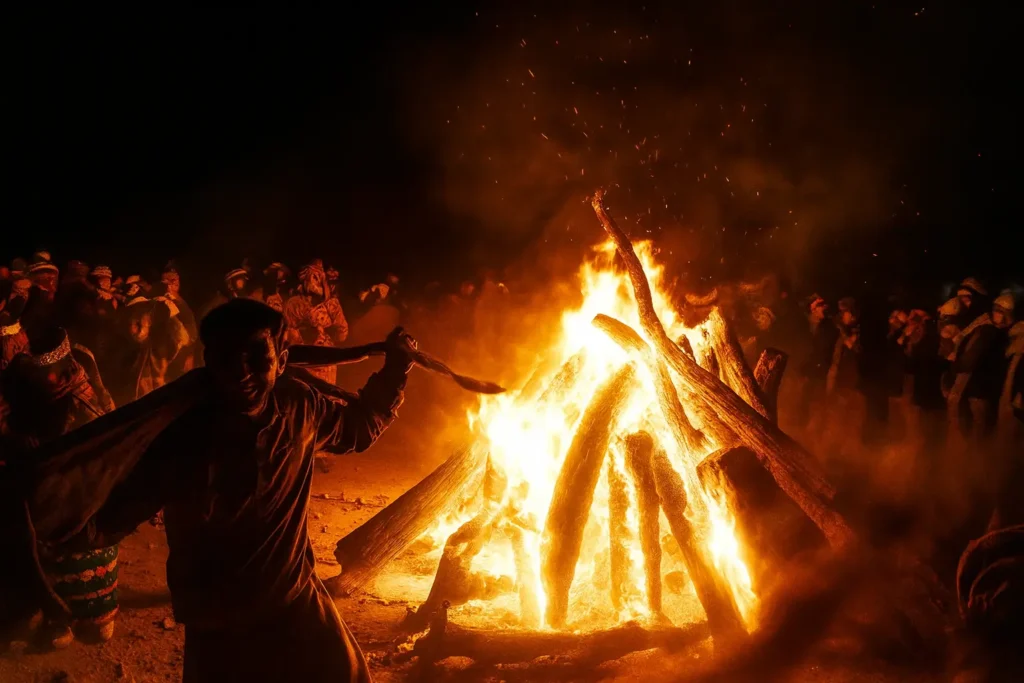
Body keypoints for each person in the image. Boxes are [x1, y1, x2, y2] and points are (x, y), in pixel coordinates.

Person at [66, 299, 414, 682]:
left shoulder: (299, 408)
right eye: (226, 357)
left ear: (281, 359)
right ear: (207, 360)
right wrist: (66, 531)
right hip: (217, 614)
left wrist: (396, 370)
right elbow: (125, 504)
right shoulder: (183, 432)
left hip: (291, 593)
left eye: (255, 356)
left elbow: (359, 429)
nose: (241, 371)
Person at [0, 328, 119, 647]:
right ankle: (48, 617)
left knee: (86, 543)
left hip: (80, 482)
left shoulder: (81, 375)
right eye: (48, 374)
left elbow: (105, 416)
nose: (64, 375)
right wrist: (16, 442)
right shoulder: (17, 382)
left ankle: (84, 617)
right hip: (35, 480)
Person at [284, 259, 349, 384]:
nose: (315, 280)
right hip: (304, 358)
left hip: (326, 358)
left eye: (318, 276)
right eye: (313, 276)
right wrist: (304, 336)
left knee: (326, 391)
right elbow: (287, 332)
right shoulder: (294, 304)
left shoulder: (332, 305)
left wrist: (326, 335)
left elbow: (342, 332)